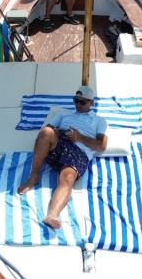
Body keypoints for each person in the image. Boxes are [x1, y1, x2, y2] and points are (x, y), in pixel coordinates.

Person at [17, 85, 108, 229]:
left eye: (82, 102)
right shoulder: (63, 114)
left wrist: (79, 137)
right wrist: (59, 132)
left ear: (91, 103)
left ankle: (51, 215)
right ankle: (34, 176)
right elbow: (45, 132)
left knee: (67, 178)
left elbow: (101, 146)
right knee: (46, 132)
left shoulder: (99, 121)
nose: (78, 104)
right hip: (60, 143)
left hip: (79, 152)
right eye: (76, 100)